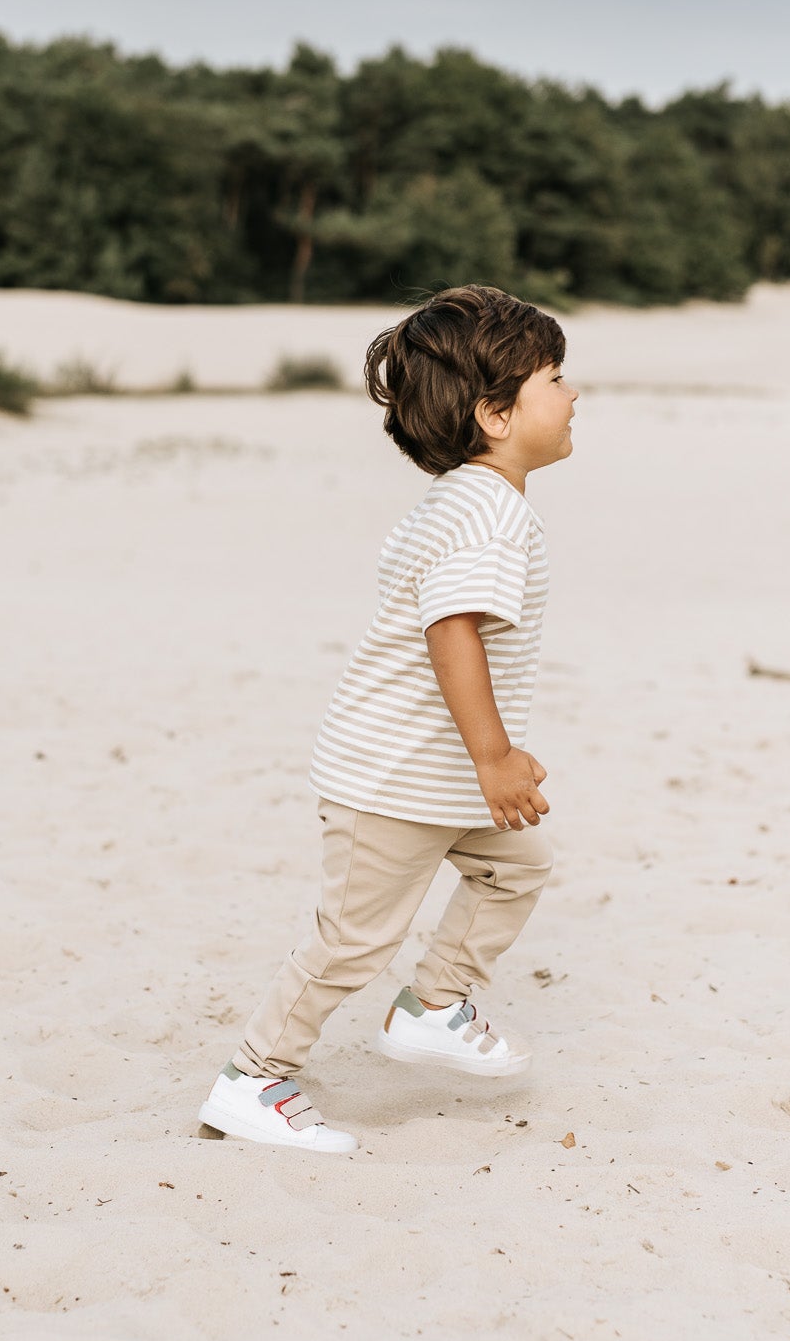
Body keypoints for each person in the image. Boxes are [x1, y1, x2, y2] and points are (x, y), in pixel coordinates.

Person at [199, 283, 577, 1152]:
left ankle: (434, 1004)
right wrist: (495, 756)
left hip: (431, 779)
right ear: (494, 412)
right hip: (397, 778)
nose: (571, 395)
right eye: (553, 378)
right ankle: (253, 1078)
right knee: (351, 943)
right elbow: (451, 631)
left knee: (517, 864)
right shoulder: (486, 512)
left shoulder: (467, 502)